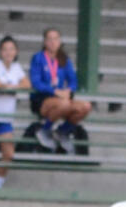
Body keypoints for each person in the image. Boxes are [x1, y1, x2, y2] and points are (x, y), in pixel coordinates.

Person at [28, 27, 92, 155]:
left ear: (60, 41)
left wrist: (69, 91)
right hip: (43, 98)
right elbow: (36, 82)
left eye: (56, 39)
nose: (53, 42)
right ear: (45, 42)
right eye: (50, 39)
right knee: (64, 104)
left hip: (62, 98)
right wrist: (54, 91)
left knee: (86, 106)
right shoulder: (38, 58)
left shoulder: (64, 59)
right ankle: (45, 130)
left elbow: (73, 81)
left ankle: (62, 131)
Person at [0, 35, 30, 189]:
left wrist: (6, 87)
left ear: (16, 52)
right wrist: (12, 87)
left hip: (6, 117)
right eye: (5, 49)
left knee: (9, 154)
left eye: (11, 49)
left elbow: (27, 84)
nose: (8, 53)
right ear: (0, 52)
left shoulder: (16, 68)